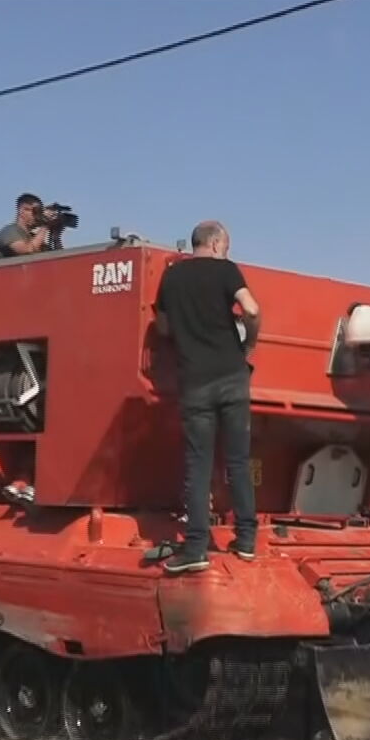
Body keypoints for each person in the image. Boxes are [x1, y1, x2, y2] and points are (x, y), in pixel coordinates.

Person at [152, 220, 262, 574]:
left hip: (195, 382)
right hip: (232, 377)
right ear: (215, 244)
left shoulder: (171, 278)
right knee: (238, 462)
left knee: (198, 466)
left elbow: (164, 327)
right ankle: (246, 541)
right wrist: (249, 342)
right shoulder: (226, 271)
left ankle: (196, 548)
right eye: (226, 246)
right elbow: (253, 309)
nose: (227, 252)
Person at [0, 193, 54, 259]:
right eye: (35, 211)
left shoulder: (33, 237)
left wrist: (56, 232)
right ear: (23, 210)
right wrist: (45, 225)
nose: (37, 216)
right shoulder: (9, 231)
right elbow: (27, 251)